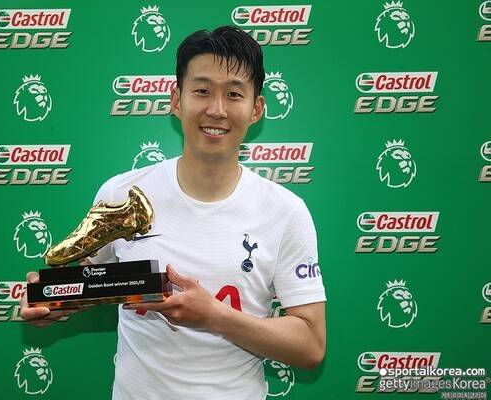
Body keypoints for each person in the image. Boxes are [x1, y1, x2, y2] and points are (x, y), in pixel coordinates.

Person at [21, 26, 326, 400]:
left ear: (256, 109)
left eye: (234, 94)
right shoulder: (122, 195)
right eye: (202, 91)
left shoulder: (286, 211)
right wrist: (50, 300)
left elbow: (311, 346)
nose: (216, 109)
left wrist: (214, 316)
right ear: (177, 100)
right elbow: (86, 282)